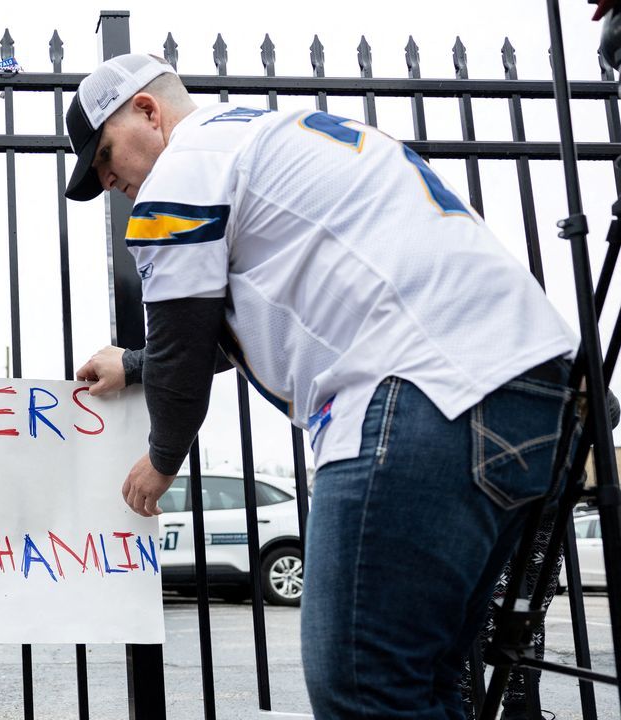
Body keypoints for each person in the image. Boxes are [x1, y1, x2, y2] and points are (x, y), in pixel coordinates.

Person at [67, 54, 580, 719]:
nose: (109, 179)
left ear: (147, 110)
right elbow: (268, 318)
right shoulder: (268, 140)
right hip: (528, 394)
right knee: (427, 683)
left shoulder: (183, 170)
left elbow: (182, 354)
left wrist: (161, 460)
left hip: (419, 395)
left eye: (105, 156)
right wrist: (137, 365)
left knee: (363, 688)